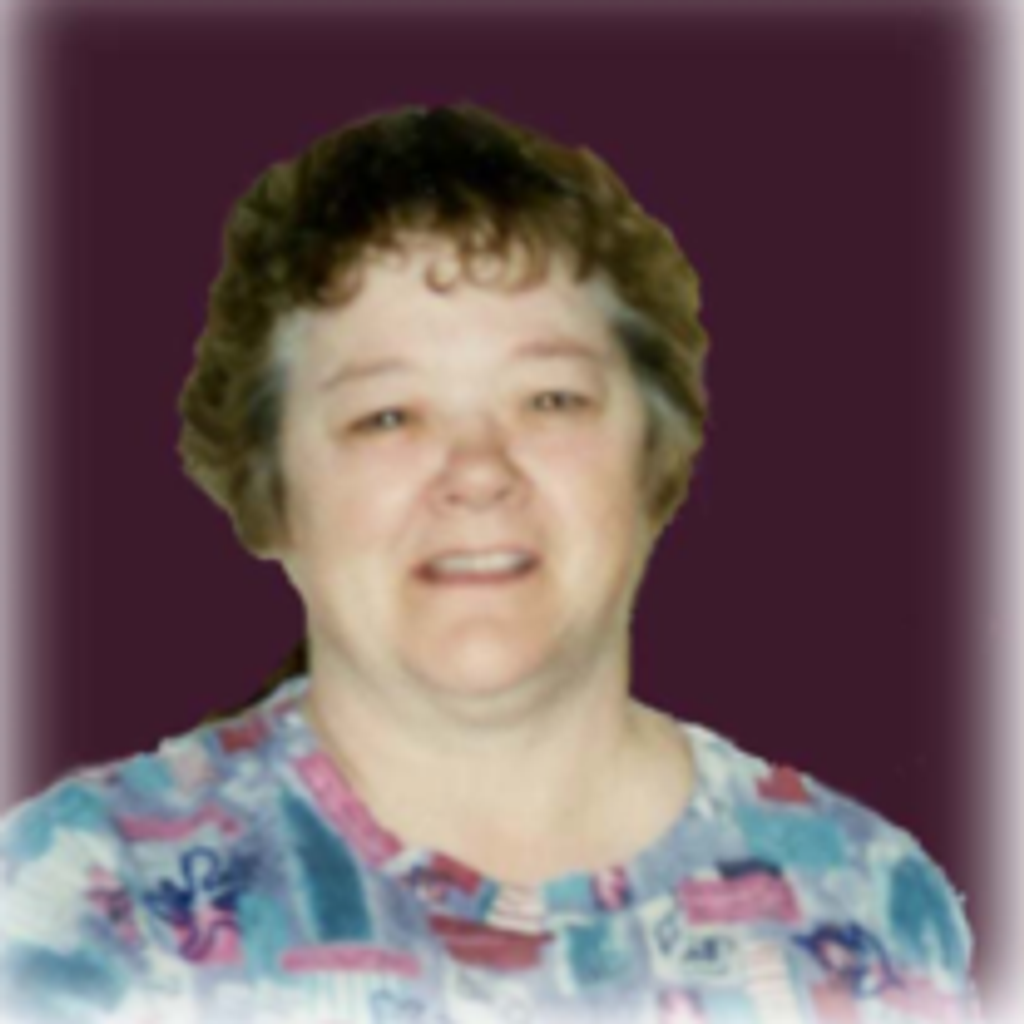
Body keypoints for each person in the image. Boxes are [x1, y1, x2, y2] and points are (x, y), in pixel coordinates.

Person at [0, 104, 980, 1024]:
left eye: (550, 399)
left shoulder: (868, 901)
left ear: (654, 454)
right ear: (272, 490)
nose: (477, 472)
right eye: (387, 416)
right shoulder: (85, 898)